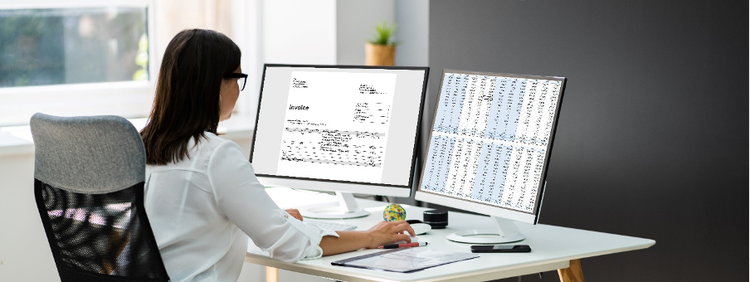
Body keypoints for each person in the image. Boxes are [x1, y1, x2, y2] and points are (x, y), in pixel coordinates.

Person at [139, 29, 415, 282]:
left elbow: (183, 222)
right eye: (237, 78)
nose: (238, 88)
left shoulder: (140, 146)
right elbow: (289, 245)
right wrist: (368, 237)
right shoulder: (216, 155)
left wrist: (265, 216)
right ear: (214, 85)